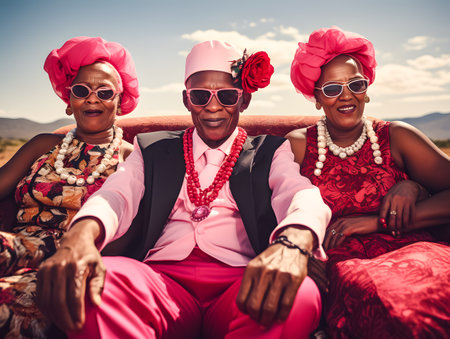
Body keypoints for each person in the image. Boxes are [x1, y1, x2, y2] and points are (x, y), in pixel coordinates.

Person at [36, 40, 331, 339]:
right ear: (186, 99)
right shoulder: (152, 147)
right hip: (158, 281)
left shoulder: (270, 150)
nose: (213, 106)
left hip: (243, 282)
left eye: (227, 96)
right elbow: (116, 194)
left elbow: (300, 195)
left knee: (297, 294)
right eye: (200, 96)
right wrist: (80, 236)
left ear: (244, 101)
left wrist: (293, 243)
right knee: (94, 284)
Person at [287, 26, 450, 338]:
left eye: (355, 84)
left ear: (367, 89)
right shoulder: (297, 146)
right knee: (400, 311)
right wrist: (299, 250)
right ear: (317, 99)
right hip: (348, 264)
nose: (346, 95)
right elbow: (275, 209)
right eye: (332, 89)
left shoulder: (397, 137)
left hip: (419, 251)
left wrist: (386, 213)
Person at [0, 36, 139, 338]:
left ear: (119, 100)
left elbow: (134, 227)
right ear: (69, 101)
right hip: (14, 245)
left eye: (104, 91)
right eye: (81, 90)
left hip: (71, 261)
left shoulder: (131, 157)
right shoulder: (43, 144)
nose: (92, 98)